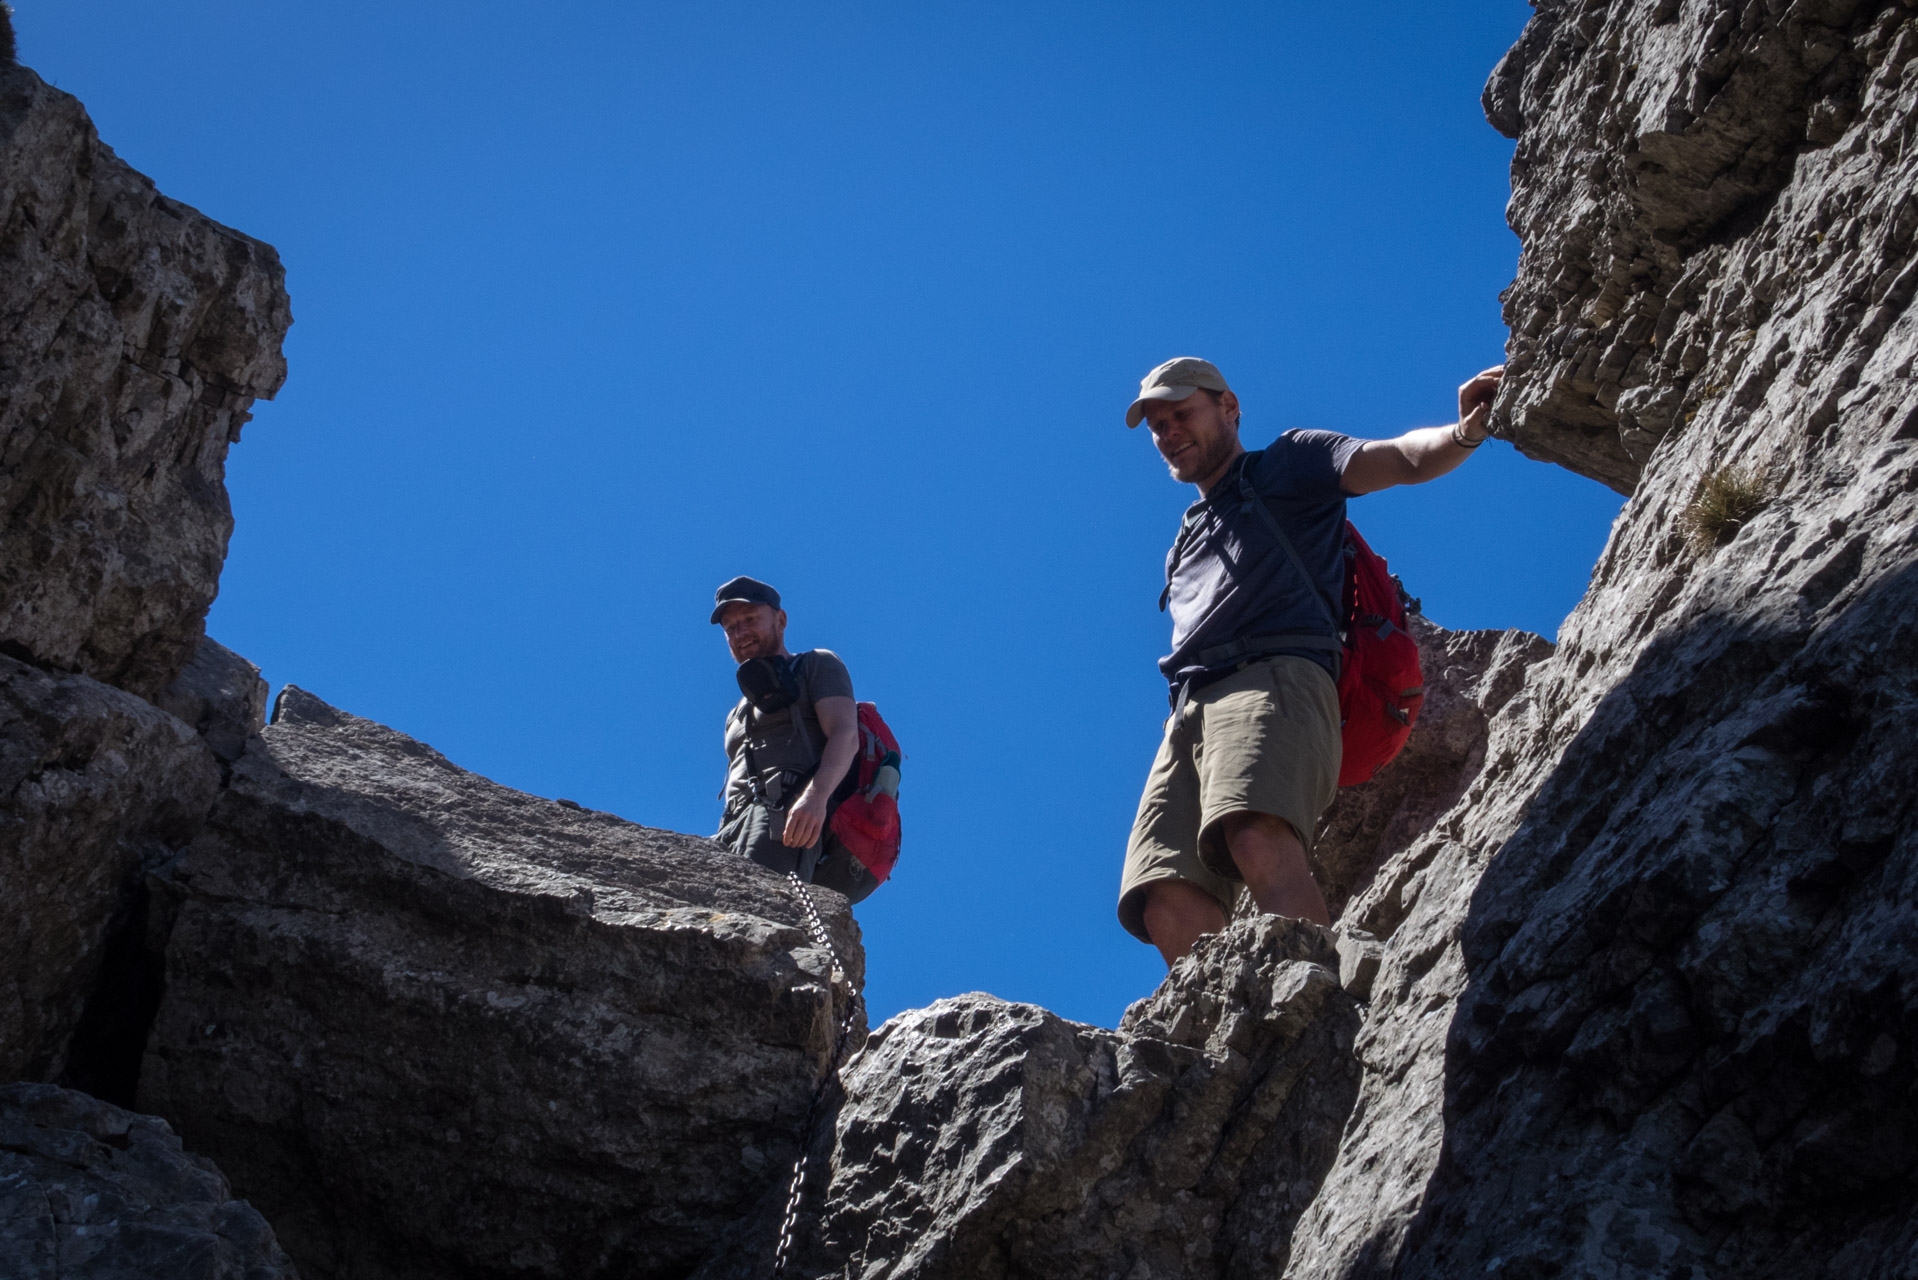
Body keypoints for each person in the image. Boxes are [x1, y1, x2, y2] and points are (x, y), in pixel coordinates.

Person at [1119, 356, 1504, 966]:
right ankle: (1234, 1037)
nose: (1168, 432)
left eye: (1180, 413)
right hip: (1188, 709)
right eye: (1157, 425)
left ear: (1228, 406)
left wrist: (1464, 432)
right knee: (1164, 897)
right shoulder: (1187, 535)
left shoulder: (1291, 462)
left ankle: (1314, 998)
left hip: (1276, 674)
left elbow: (1402, 458)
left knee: (1256, 835)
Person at [711, 576, 879, 902]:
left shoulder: (815, 664)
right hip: (732, 825)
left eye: (749, 620)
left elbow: (845, 734)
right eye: (730, 628)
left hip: (785, 818)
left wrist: (815, 799)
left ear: (781, 619)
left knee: (756, 907)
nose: (740, 632)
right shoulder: (736, 713)